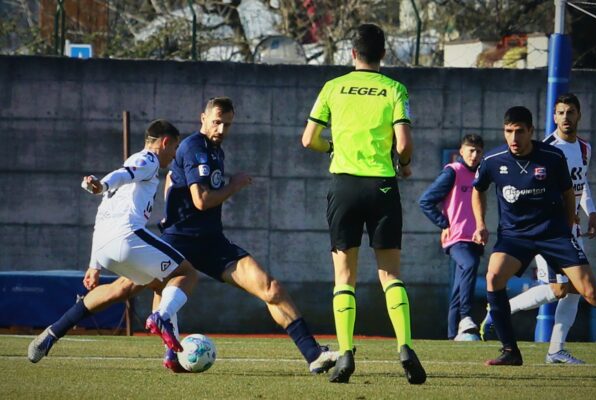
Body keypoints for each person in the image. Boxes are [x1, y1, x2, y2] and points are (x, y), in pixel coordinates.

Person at [156, 96, 338, 374]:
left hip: (211, 242)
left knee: (271, 288)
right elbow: (201, 200)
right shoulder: (194, 147)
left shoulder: (215, 151)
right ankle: (65, 329)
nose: (221, 130)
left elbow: (173, 179)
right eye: (216, 122)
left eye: (227, 125)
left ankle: (313, 354)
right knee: (125, 289)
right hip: (179, 240)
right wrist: (236, 185)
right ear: (202, 118)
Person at [301, 23, 426, 384]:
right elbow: (403, 145)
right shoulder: (394, 89)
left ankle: (346, 355)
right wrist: (403, 165)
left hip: (343, 188)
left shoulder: (332, 87)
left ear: (352, 53)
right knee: (390, 274)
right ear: (383, 54)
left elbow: (308, 139)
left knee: (345, 277)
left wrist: (333, 147)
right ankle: (404, 346)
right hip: (382, 187)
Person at [28, 119, 198, 363]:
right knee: (187, 274)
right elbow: (124, 174)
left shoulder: (126, 180)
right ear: (165, 142)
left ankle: (53, 332)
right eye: (174, 148)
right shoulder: (147, 160)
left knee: (157, 286)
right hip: (127, 237)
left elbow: (102, 214)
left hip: (106, 246)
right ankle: (162, 319)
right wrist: (102, 184)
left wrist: (94, 264)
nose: (173, 156)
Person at [472, 105, 596, 366]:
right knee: (493, 276)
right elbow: (478, 190)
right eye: (509, 132)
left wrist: (567, 224)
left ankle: (552, 348)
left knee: (589, 292)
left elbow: (567, 191)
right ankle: (510, 351)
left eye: (520, 132)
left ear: (531, 131)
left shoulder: (552, 157)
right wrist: (480, 224)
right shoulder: (493, 161)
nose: (514, 138)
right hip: (515, 236)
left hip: (553, 234)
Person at [419, 134, 485, 341]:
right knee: (469, 264)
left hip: (474, 239)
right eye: (470, 150)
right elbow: (425, 201)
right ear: (462, 150)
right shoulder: (452, 172)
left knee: (458, 287)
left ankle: (451, 336)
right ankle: (466, 317)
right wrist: (444, 224)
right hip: (457, 239)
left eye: (478, 151)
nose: (474, 155)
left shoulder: (482, 175)